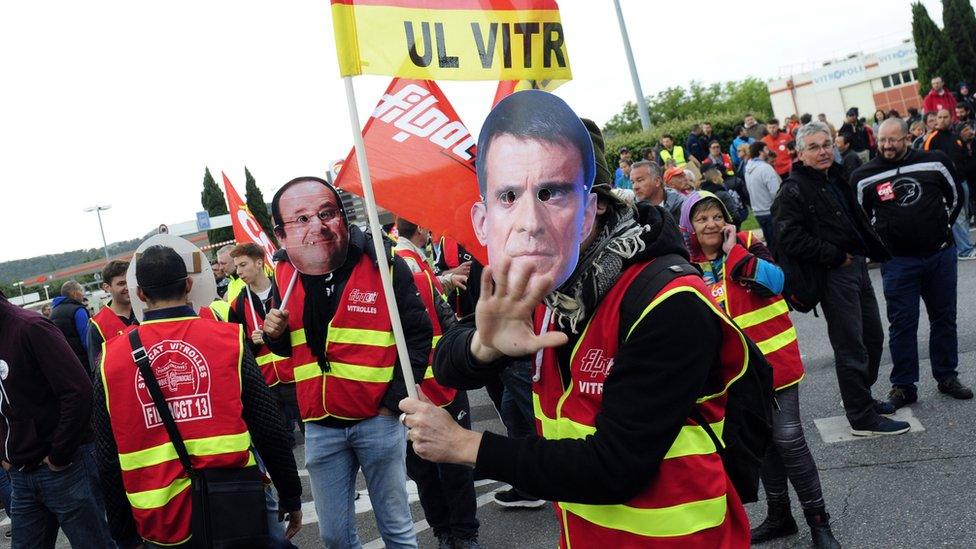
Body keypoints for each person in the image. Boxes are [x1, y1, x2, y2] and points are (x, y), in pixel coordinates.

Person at [401, 89, 752, 547]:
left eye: (551, 193)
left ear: (595, 208)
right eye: (510, 196)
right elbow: (448, 363)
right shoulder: (556, 286)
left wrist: (467, 446)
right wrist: (484, 346)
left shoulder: (666, 301)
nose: (529, 221)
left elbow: (615, 466)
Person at [93, 245, 303, 548]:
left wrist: (124, 534)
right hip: (233, 504)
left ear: (140, 295)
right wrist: (291, 494)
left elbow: (106, 457)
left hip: (160, 517)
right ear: (189, 284)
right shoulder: (230, 340)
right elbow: (268, 428)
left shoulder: (109, 359)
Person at [263, 176, 431, 549]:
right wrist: (275, 335)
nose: (317, 226)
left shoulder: (381, 262)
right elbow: (292, 350)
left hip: (378, 421)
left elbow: (419, 336)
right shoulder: (285, 272)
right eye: (301, 219)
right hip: (320, 428)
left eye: (326, 213)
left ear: (341, 216)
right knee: (335, 537)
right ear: (281, 233)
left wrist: (394, 402)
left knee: (397, 529)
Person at [678, 192, 840, 549]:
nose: (711, 224)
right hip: (734, 374)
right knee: (762, 443)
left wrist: (735, 252)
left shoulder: (750, 245)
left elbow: (777, 283)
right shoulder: (684, 266)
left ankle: (819, 524)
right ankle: (780, 516)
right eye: (701, 218)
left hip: (774, 363)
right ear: (688, 227)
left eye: (716, 216)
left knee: (788, 440)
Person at [772, 121, 909, 436]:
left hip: (856, 267)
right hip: (833, 274)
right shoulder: (793, 189)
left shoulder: (833, 176)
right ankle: (861, 417)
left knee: (872, 338)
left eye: (826, 145)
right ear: (800, 153)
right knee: (850, 346)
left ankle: (863, 397)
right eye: (814, 147)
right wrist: (834, 255)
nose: (823, 152)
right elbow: (787, 238)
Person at [851, 118, 973, 411]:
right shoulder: (863, 176)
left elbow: (956, 197)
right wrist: (880, 245)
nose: (887, 146)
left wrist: (939, 226)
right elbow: (859, 218)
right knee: (902, 325)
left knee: (944, 318)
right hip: (898, 262)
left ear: (908, 138)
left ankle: (946, 376)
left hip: (939, 255)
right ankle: (904, 385)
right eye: (882, 140)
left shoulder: (934, 162)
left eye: (893, 140)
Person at [0, 289, 114, 547]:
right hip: (20, 473)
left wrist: (59, 454)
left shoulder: (30, 327)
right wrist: (4, 453)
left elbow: (78, 392)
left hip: (65, 467)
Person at [393, 219, 481, 549]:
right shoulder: (382, 291)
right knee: (423, 471)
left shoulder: (420, 275)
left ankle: (465, 534)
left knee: (457, 466)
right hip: (409, 396)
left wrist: (469, 354)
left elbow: (447, 321)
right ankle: (443, 530)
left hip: (445, 387)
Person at [226, 243, 301, 446]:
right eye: (237, 267)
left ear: (259, 262)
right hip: (265, 382)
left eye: (243, 265)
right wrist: (253, 342)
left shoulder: (285, 291)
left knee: (312, 435)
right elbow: (237, 349)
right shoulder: (237, 304)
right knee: (280, 444)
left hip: (295, 375)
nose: (239, 271)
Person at [922, 109, 976, 259]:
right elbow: (925, 162)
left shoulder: (955, 137)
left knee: (964, 215)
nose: (942, 119)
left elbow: (965, 158)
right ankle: (964, 250)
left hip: (962, 181)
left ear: (951, 118)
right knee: (957, 216)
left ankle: (964, 245)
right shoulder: (931, 139)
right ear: (936, 119)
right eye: (940, 117)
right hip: (945, 185)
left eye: (946, 117)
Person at [87, 260, 137, 368]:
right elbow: (97, 370)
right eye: (121, 283)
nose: (127, 287)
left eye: (130, 281)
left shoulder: (146, 309)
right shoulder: (97, 325)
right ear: (106, 287)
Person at [49, 280, 93, 376]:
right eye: (81, 291)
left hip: (66, 362)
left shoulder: (53, 312)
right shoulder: (78, 310)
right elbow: (87, 340)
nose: (83, 294)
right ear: (74, 293)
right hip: (84, 363)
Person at [745, 141, 783, 253]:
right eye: (766, 149)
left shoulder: (748, 168)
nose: (768, 151)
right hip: (770, 211)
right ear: (760, 152)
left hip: (758, 211)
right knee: (779, 245)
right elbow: (776, 192)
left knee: (770, 244)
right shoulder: (765, 168)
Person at [699, 160, 747, 224]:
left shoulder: (702, 193)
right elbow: (734, 214)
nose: (722, 179)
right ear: (715, 180)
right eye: (720, 177)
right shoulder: (722, 194)